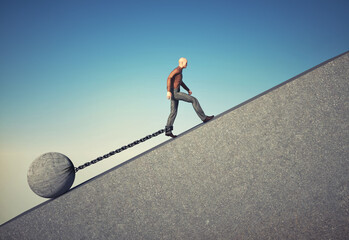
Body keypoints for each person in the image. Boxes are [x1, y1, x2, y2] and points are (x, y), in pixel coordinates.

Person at [165, 57, 214, 138]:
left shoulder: (180, 71)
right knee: (194, 100)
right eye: (186, 63)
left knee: (173, 112)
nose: (187, 64)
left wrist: (188, 90)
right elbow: (169, 78)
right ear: (182, 63)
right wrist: (168, 91)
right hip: (174, 93)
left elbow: (180, 82)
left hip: (174, 92)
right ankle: (204, 118)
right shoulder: (177, 70)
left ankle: (168, 131)